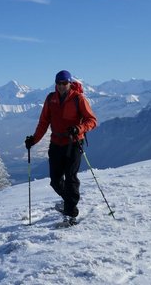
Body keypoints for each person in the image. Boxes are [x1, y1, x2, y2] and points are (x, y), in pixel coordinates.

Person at [25, 70, 97, 223]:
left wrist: (79, 129)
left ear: (70, 83)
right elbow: (44, 122)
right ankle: (70, 200)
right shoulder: (51, 99)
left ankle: (71, 213)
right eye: (58, 83)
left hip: (74, 142)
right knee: (55, 180)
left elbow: (92, 120)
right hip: (56, 143)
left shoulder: (78, 99)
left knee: (71, 177)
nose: (61, 86)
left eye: (64, 83)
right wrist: (34, 140)